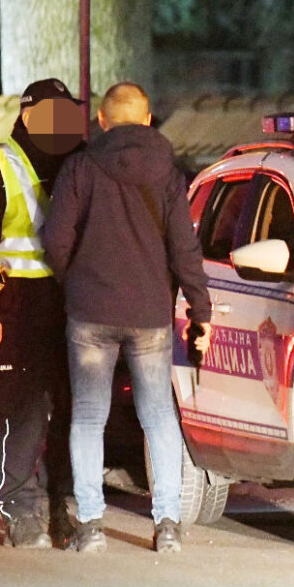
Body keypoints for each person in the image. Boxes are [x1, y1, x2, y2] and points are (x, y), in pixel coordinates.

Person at [42, 81, 212, 554]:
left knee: (89, 416)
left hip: (90, 312)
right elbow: (185, 248)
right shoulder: (170, 173)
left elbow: (55, 237)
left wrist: (74, 280)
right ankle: (169, 525)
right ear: (147, 118)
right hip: (150, 314)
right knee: (158, 416)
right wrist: (201, 309)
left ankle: (92, 524)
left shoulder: (79, 167)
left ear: (101, 120)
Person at [0, 77, 85, 549]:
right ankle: (20, 508)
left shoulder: (76, 160)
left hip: (67, 303)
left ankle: (60, 509)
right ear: (29, 116)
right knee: (16, 413)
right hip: (13, 307)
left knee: (69, 411)